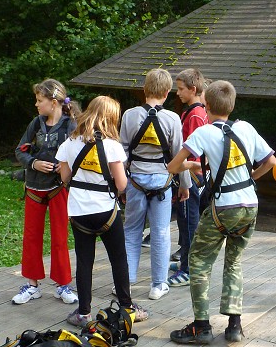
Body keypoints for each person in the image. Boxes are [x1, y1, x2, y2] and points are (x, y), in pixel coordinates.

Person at [167, 80, 276, 344]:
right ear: (233, 104)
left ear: (206, 104)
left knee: (199, 261)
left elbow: (172, 166)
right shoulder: (246, 128)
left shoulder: (203, 133)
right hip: (249, 205)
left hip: (222, 208)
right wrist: (252, 176)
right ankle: (234, 325)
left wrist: (192, 165)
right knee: (234, 260)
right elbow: (271, 160)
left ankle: (201, 326)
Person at [56, 96, 148, 326]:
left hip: (78, 212)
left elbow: (65, 177)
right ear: (111, 119)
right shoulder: (112, 146)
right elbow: (121, 184)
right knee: (118, 259)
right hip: (106, 210)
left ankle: (84, 312)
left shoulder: (69, 143)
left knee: (85, 260)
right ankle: (127, 307)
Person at [120, 68, 191, 300]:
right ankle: (158, 285)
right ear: (167, 92)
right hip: (162, 181)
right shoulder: (172, 119)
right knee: (160, 232)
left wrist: (121, 183)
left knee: (131, 231)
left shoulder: (130, 115)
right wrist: (185, 184)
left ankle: (126, 283)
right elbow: (180, 156)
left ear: (145, 89)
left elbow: (123, 151)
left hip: (135, 181)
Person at [13, 79, 80, 305]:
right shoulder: (36, 123)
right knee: (31, 236)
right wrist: (33, 163)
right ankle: (32, 285)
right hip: (34, 187)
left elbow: (80, 152)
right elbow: (20, 150)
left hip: (58, 188)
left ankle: (63, 285)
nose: (36, 105)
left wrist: (65, 166)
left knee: (60, 236)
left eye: (39, 101)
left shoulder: (71, 125)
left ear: (53, 102)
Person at [167, 68, 209, 287]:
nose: (178, 93)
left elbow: (195, 152)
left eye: (181, 89)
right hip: (187, 174)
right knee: (184, 222)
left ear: (193, 89)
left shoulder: (195, 115)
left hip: (191, 177)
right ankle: (186, 260)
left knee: (189, 221)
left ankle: (189, 269)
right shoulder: (190, 111)